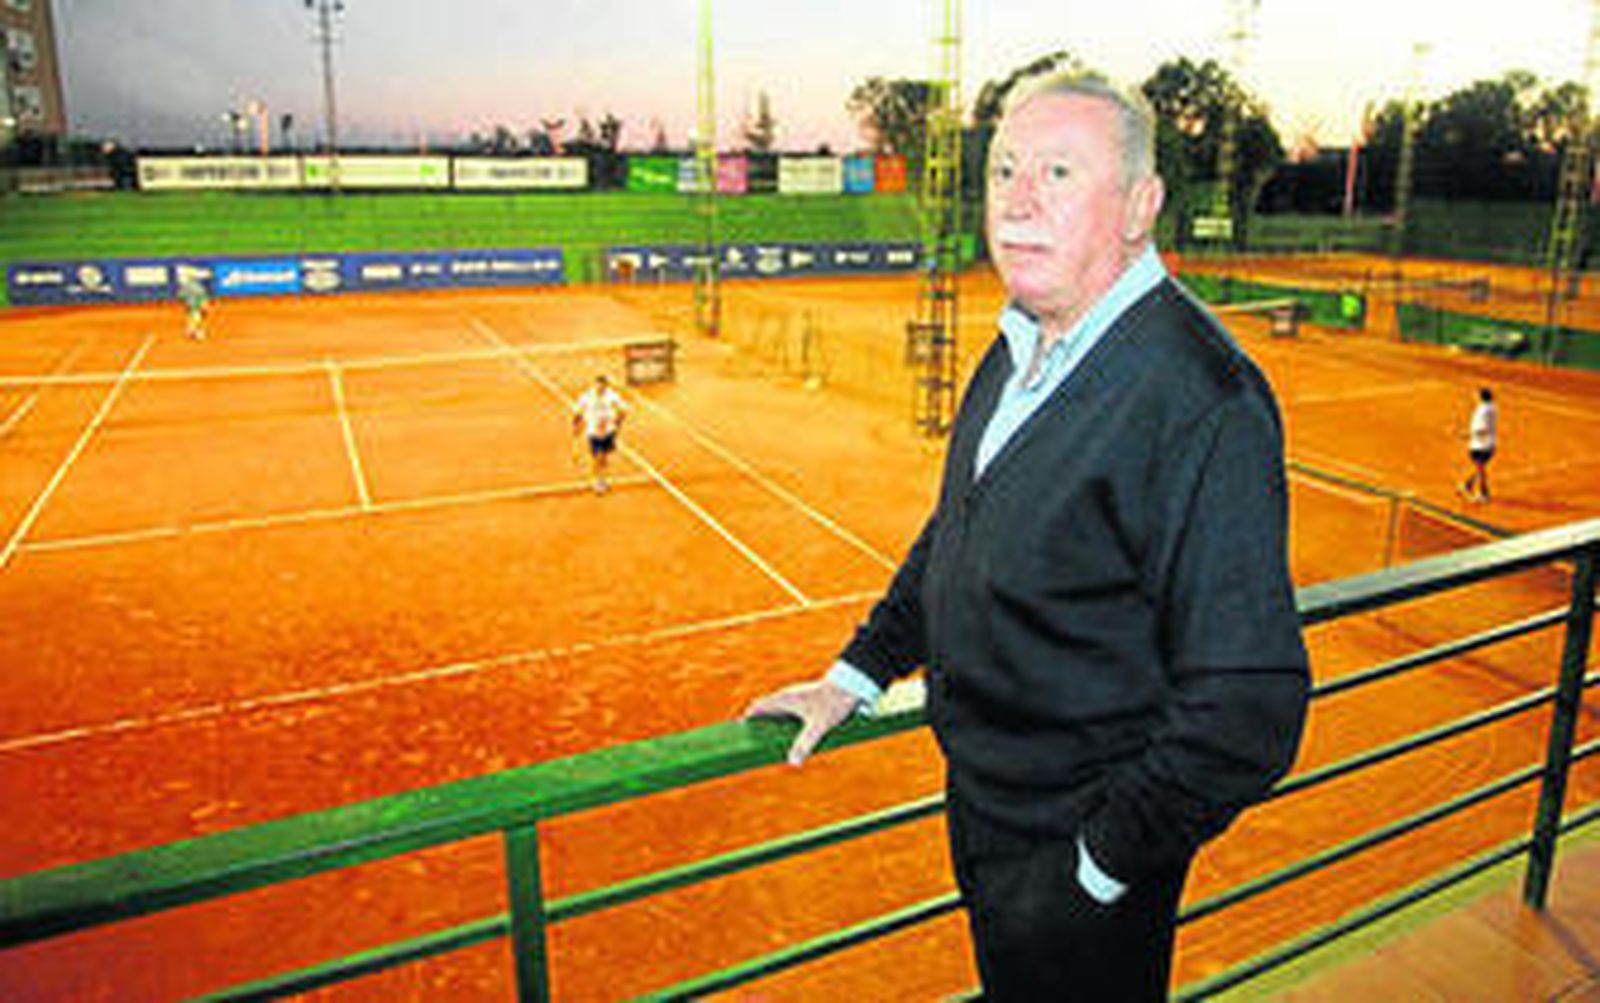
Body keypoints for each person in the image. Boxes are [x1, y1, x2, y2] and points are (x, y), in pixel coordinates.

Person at [744, 71, 1309, 1002]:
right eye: (1004, 170)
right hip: (989, 810)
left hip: (1081, 854)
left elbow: (1249, 704)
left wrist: (1094, 868)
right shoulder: (1017, 348)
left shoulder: (1202, 396)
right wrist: (856, 674)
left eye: (1058, 172)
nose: (1017, 201)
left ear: (1141, 206)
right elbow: (963, 526)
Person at [571, 374, 628, 494]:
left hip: (608, 431)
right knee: (597, 456)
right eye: (598, 386)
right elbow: (577, 412)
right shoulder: (587, 397)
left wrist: (617, 422)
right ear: (595, 385)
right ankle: (597, 481)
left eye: (603, 387)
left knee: (604, 457)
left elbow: (623, 410)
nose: (600, 389)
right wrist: (577, 427)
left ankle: (602, 478)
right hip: (594, 431)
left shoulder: (612, 396)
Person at [1460, 386, 1497, 503]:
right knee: (1479, 467)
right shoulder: (1492, 408)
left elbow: (1481, 428)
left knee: (1480, 468)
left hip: (1480, 444)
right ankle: (1468, 485)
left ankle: (1484, 493)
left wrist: (1468, 434)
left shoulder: (1483, 411)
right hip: (1489, 443)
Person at [177, 273, 209, 341]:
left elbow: (180, 296)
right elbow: (203, 298)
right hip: (197, 306)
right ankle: (199, 334)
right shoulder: (199, 287)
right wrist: (205, 307)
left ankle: (191, 331)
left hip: (190, 306)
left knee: (191, 318)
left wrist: (185, 301)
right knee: (197, 319)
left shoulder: (185, 286)